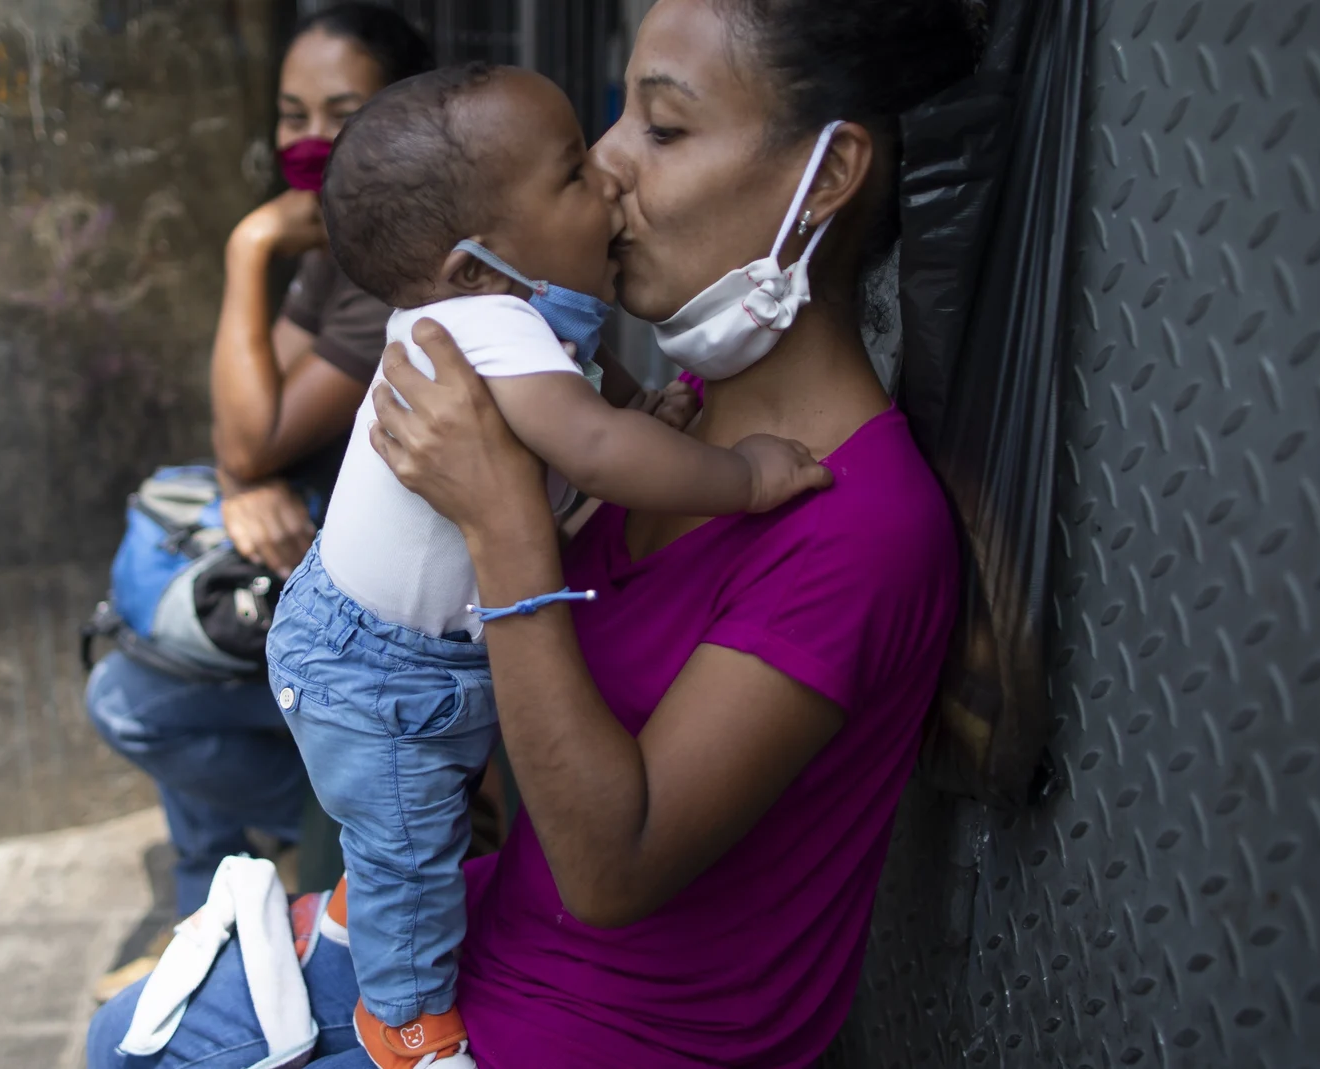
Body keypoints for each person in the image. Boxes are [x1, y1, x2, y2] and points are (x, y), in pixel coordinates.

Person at [88, 0, 981, 1064]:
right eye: (613, 121)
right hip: (501, 935)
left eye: (662, 127)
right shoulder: (673, 409)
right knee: (130, 1031)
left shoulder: (864, 525)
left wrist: (504, 522)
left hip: (605, 1031)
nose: (606, 168)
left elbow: (611, 868)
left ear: (827, 177)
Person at [266, 62, 832, 1068]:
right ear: (477, 264)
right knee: (409, 835)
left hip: (394, 645)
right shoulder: (487, 325)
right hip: (376, 671)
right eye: (572, 175)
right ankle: (404, 1027)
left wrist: (643, 415)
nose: (609, 180)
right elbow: (596, 449)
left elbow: (599, 412)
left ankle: (369, 893)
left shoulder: (525, 316)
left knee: (414, 820)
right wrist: (740, 475)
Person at [85, 3, 433, 1002]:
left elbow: (250, 428)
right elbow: (249, 418)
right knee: (157, 633)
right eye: (291, 113)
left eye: (341, 110)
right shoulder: (333, 243)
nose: (309, 139)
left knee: (128, 697)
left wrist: (247, 248)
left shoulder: (389, 263)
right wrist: (244, 480)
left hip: (370, 626)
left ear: (400, 118)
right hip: (305, 569)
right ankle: (207, 908)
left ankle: (330, 845)